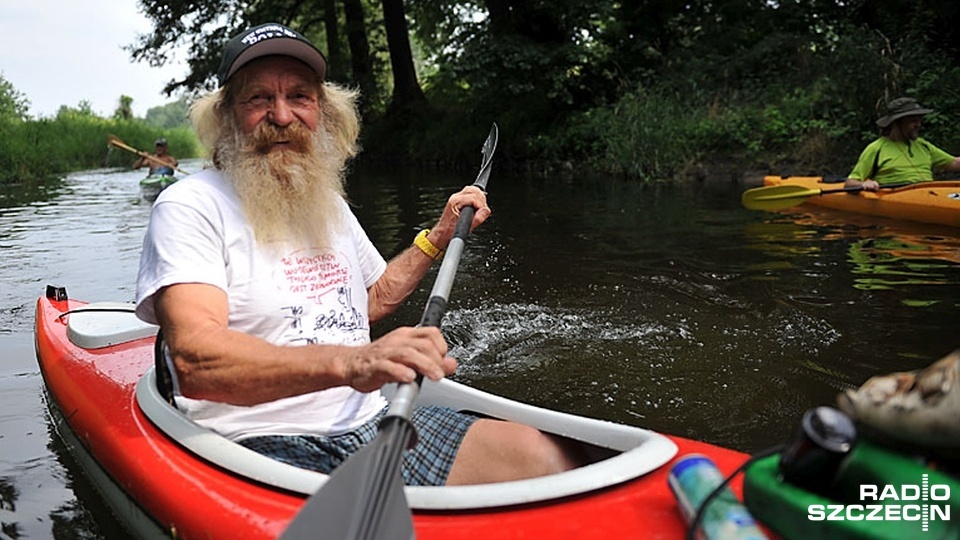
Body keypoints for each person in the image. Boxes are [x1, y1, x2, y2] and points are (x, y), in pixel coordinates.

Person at [134, 22, 585, 487]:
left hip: (371, 420)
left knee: (542, 458)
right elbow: (196, 362)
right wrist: (353, 363)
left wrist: (439, 234)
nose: (282, 115)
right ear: (227, 116)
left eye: (300, 97)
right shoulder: (189, 206)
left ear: (323, 112)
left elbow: (371, 299)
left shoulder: (323, 200)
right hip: (253, 441)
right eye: (258, 99)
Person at [845, 97, 960, 192]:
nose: (918, 125)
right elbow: (850, 183)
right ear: (896, 123)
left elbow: (955, 163)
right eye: (913, 121)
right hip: (897, 195)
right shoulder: (876, 148)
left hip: (930, 194)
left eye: (919, 120)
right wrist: (865, 183)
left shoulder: (923, 145)